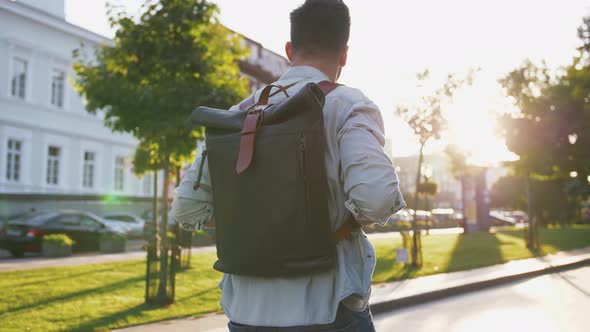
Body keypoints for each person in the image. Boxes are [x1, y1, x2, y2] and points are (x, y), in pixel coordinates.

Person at [172, 0, 405, 330]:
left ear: (288, 49)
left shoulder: (236, 115)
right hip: (325, 310)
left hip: (245, 313)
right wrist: (341, 220)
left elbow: (186, 209)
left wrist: (251, 225)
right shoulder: (348, 105)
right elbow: (377, 197)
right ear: (344, 55)